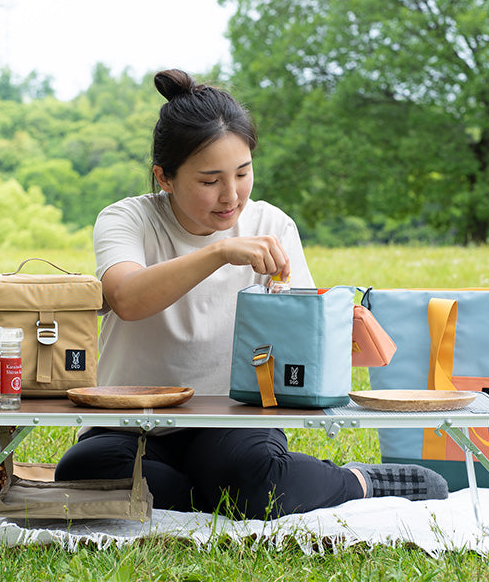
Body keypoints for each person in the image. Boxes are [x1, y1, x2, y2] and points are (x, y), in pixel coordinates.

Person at [54, 69, 448, 518]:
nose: (231, 195)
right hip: (130, 421)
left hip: (234, 418)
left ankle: (357, 480)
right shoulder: (127, 220)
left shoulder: (272, 227)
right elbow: (126, 297)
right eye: (209, 181)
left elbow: (303, 343)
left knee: (255, 480)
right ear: (164, 177)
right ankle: (222, 490)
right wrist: (219, 252)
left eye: (243, 173)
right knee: (84, 477)